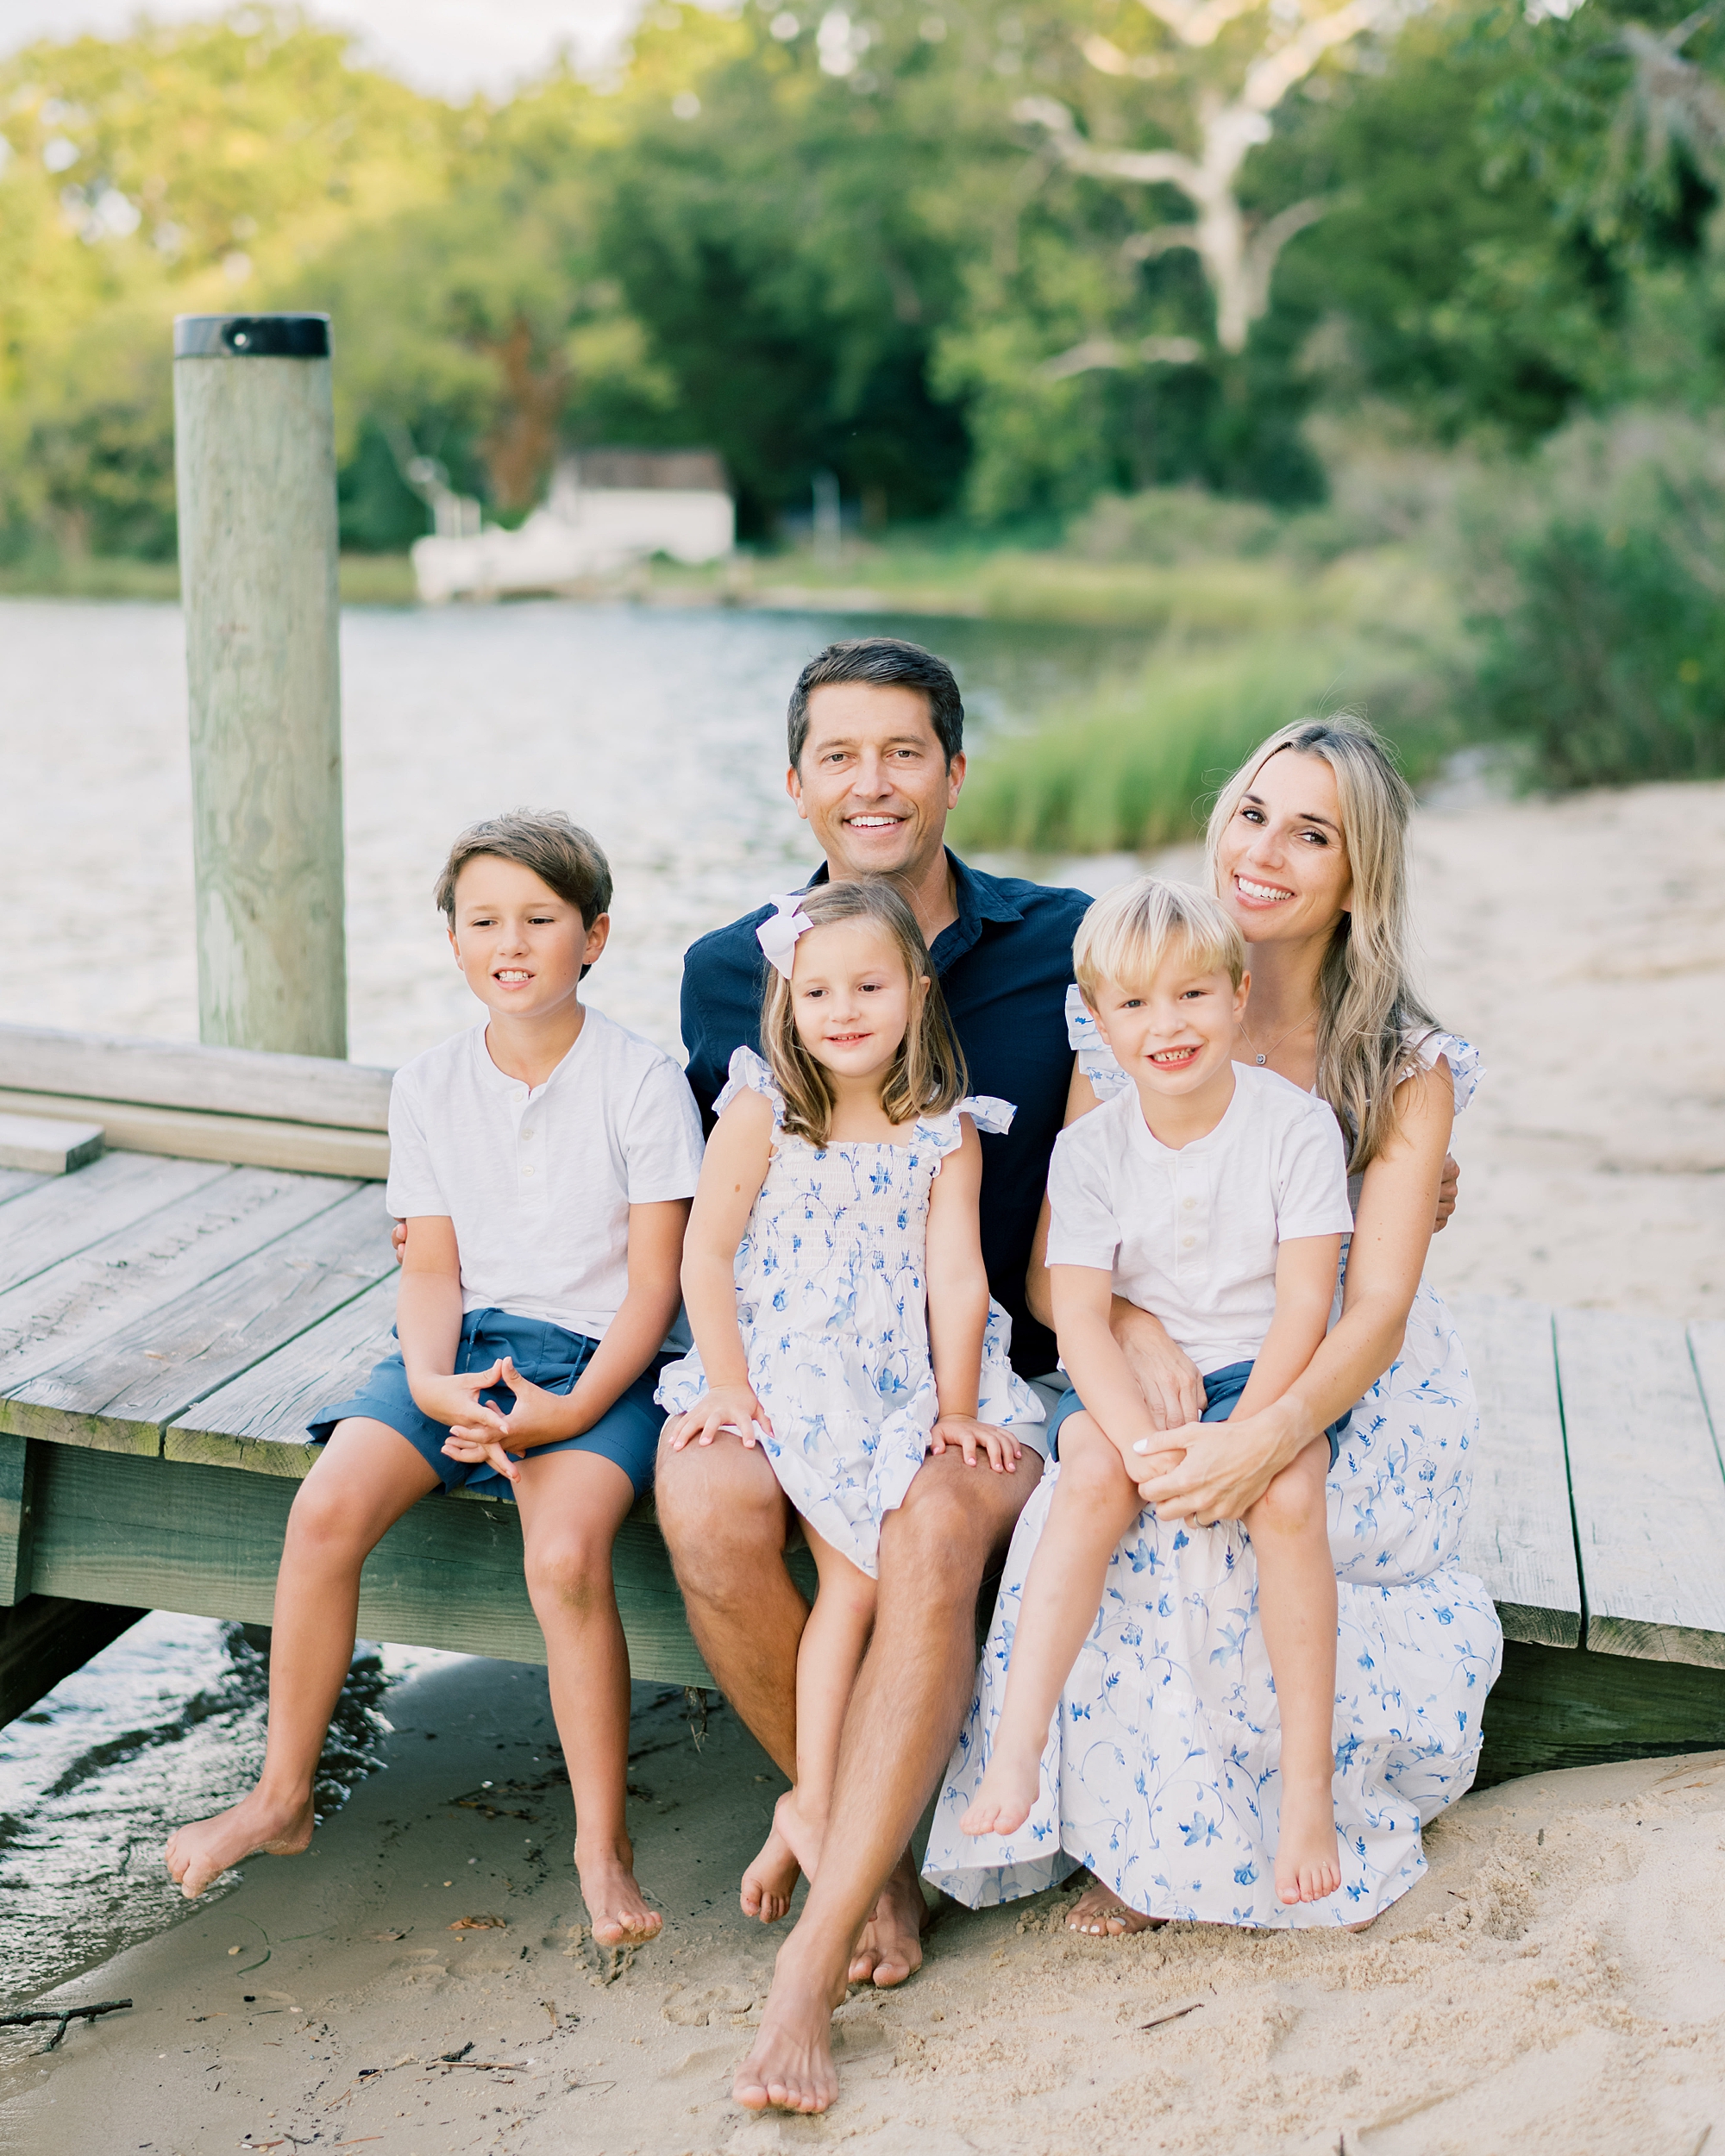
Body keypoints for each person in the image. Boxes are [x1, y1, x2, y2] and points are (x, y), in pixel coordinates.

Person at [924, 716, 1502, 1936]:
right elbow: (1056, 1277)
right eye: (1252, 814)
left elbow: (1374, 1305)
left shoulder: (1398, 1063)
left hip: (1334, 1366)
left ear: (1360, 877)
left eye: (1313, 834)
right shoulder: (1139, 1006)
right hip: (1168, 1347)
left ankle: (1243, 1825)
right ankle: (1117, 1825)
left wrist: (1268, 1432)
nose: (1267, 853)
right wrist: (1133, 1330)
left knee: (1244, 1515)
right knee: (1110, 1490)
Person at [164, 811, 704, 1947]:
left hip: (605, 1363)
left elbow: (658, 1289)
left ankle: (601, 1848)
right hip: (462, 1347)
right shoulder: (429, 1085)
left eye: (541, 920)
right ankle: (282, 1796)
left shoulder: (643, 1083)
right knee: (323, 1510)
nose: (512, 943)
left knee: (562, 1559)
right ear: (452, 941)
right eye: (484, 920)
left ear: (594, 937)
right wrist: (428, 1377)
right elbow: (431, 1268)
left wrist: (571, 1409)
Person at [955, 878, 1353, 1909]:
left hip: (1266, 1369)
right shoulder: (1088, 1149)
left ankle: (1305, 1788)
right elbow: (1079, 1316)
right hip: (1145, 1382)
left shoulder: (1293, 1127)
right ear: (1094, 1021)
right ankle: (1018, 1748)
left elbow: (1306, 1304)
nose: (1164, 1026)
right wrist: (1142, 1450)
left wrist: (1255, 1436)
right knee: (1085, 1473)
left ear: (1233, 996)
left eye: (1189, 996)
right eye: (1131, 1005)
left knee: (1290, 1497)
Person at [659, 878, 1043, 1898]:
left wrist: (956, 1407)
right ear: (787, 999)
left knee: (856, 1586)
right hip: (794, 1367)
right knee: (855, 1586)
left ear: (916, 991)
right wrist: (728, 1384)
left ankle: (816, 1804)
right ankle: (819, 1799)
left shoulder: (941, 1126)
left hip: (898, 1374)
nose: (842, 1012)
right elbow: (706, 1253)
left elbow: (959, 1280)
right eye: (817, 992)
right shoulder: (764, 1109)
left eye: (867, 987)